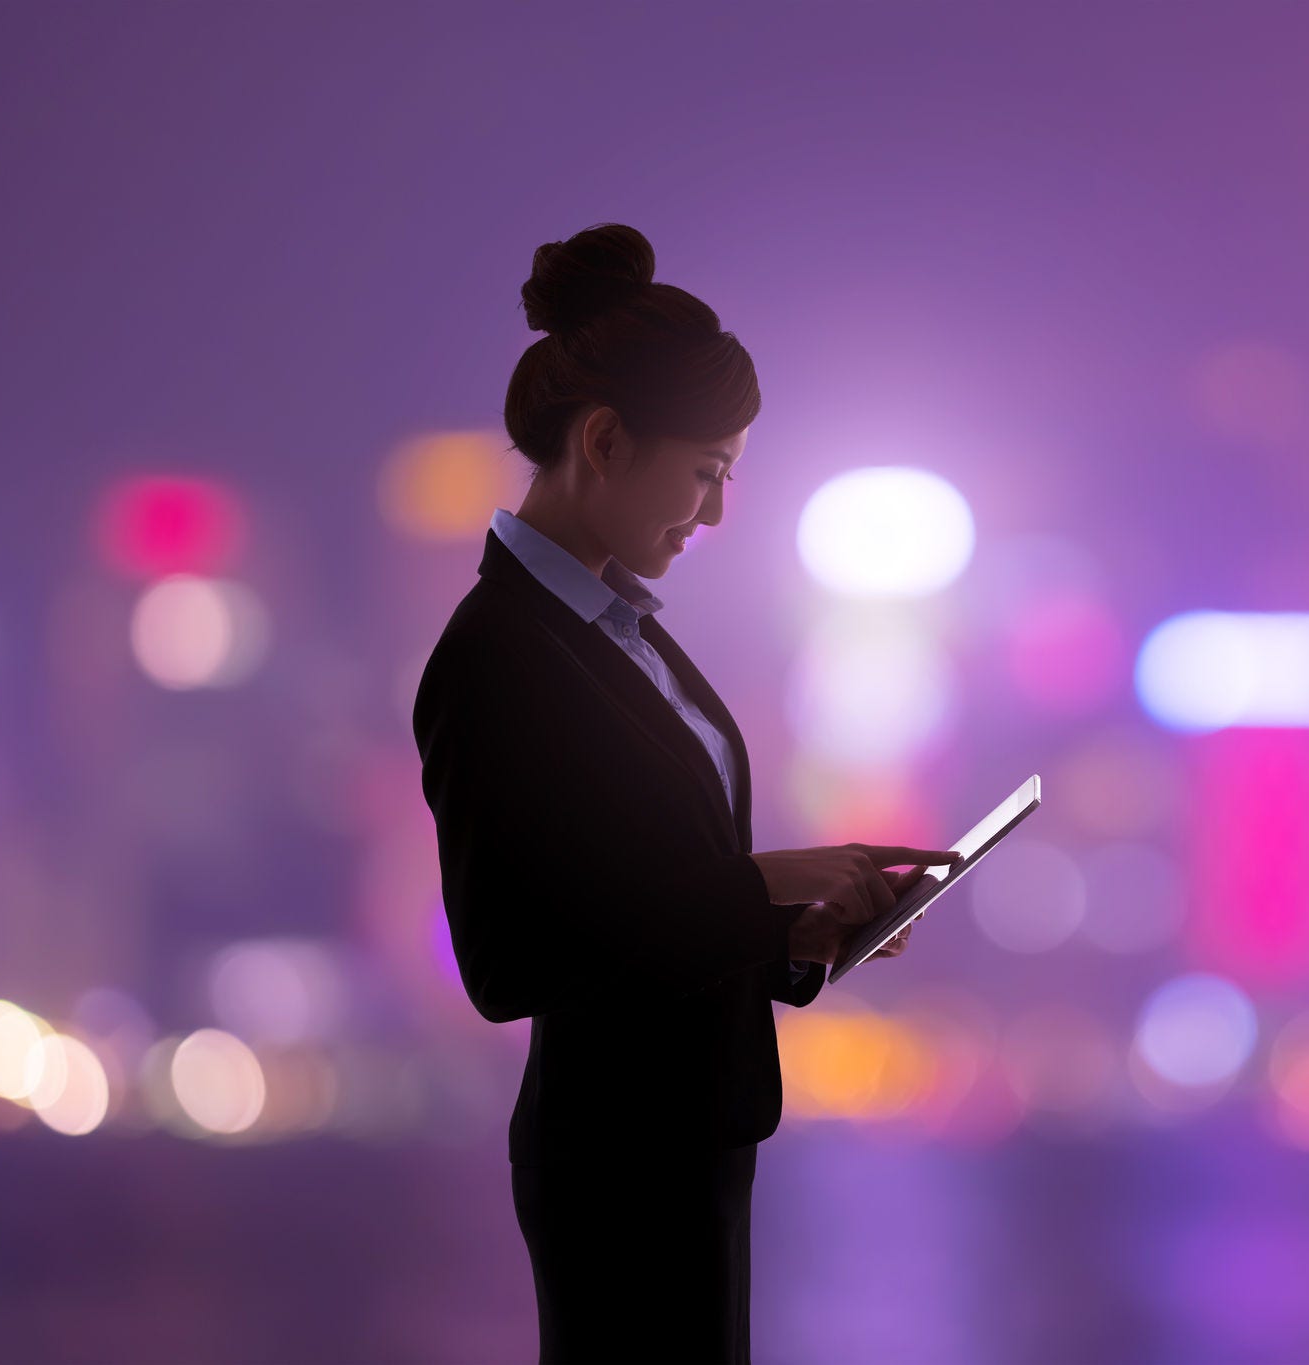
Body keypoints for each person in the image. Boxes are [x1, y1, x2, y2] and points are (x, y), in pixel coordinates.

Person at [411, 221, 962, 1364]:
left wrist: (799, 932)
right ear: (605, 441)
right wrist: (758, 884)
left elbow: (643, 898)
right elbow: (510, 959)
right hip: (609, 1159)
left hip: (694, 1138)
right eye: (706, 474)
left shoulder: (627, 643)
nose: (712, 515)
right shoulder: (497, 656)